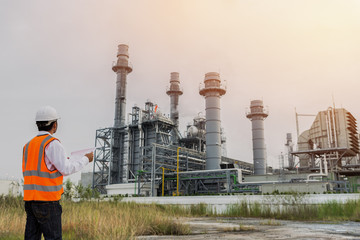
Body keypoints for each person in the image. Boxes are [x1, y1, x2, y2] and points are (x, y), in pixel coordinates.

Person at [22, 106, 94, 240]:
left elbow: (41, 167)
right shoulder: (52, 144)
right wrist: (85, 159)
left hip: (30, 201)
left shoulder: (28, 145)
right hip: (48, 202)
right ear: (54, 125)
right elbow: (66, 169)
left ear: (37, 124)